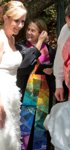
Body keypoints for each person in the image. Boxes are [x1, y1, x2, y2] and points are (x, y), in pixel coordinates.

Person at [16, 19, 55, 150]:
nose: (29, 33)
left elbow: (58, 69)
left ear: (41, 32)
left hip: (43, 95)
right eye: (28, 29)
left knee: (40, 128)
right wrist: (38, 43)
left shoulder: (49, 50)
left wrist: (52, 70)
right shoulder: (20, 47)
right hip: (25, 93)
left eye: (33, 30)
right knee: (24, 128)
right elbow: (25, 64)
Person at [0, 1, 27, 150]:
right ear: (6, 18)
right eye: (17, 20)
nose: (20, 25)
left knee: (11, 138)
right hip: (1, 97)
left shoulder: (12, 38)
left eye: (23, 21)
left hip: (12, 96)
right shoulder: (0, 38)